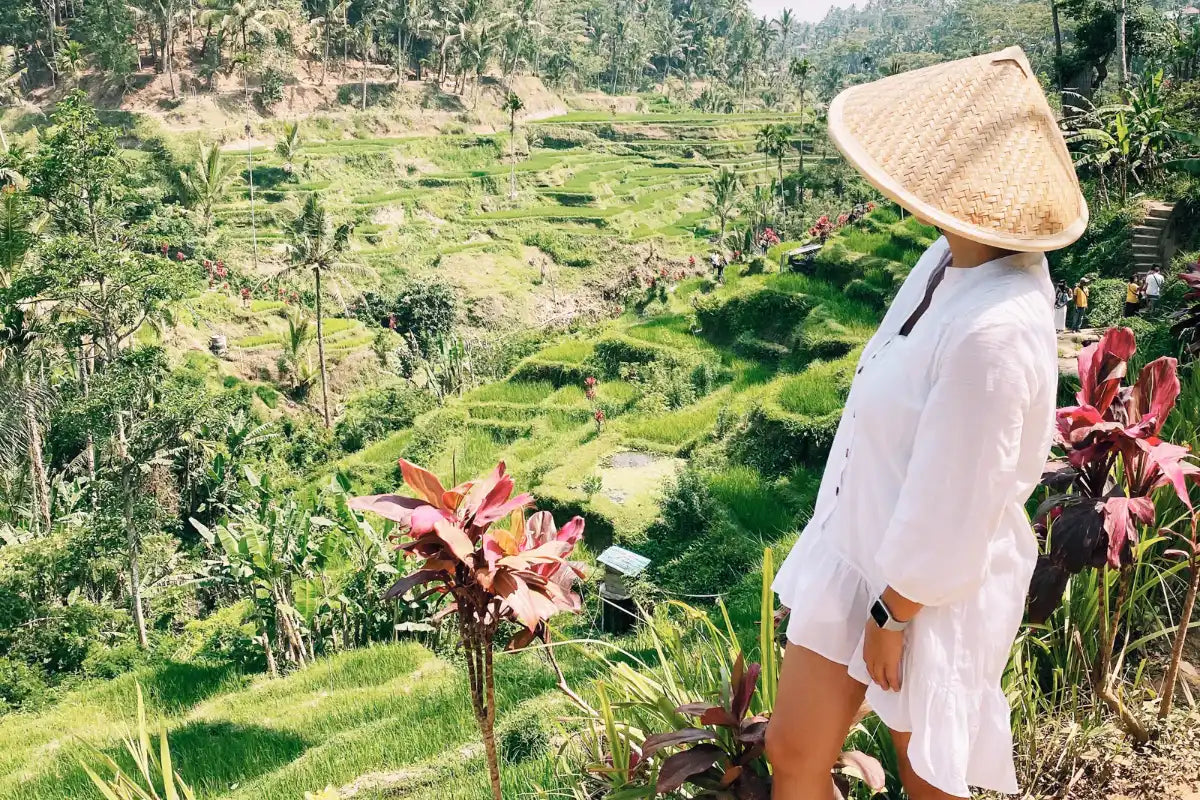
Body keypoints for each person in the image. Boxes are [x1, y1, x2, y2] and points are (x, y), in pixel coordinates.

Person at [766, 47, 1087, 800]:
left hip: (925, 595)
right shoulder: (948, 259)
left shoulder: (994, 330)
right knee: (793, 748)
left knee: (929, 780)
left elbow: (960, 497)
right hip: (859, 543)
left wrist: (893, 611)